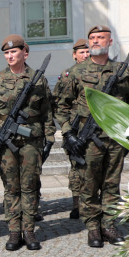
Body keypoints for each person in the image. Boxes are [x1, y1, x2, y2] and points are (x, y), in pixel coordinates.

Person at [56, 25, 129, 248]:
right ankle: (93, 228)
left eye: (100, 38)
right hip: (88, 139)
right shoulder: (76, 72)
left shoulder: (123, 71)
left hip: (113, 138)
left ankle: (109, 226)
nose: (95, 41)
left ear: (110, 42)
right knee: (88, 186)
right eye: (92, 38)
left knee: (112, 184)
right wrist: (68, 133)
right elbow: (61, 106)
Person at [0, 34, 55, 251]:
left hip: (31, 142)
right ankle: (13, 231)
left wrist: (50, 138)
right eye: (6, 53)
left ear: (24, 53)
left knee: (29, 186)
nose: (9, 56)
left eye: (13, 52)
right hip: (5, 142)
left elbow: (47, 112)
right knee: (11, 187)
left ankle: (28, 231)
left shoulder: (38, 80)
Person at [54, 39, 89, 220]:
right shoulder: (67, 75)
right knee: (76, 167)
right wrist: (67, 130)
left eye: (87, 51)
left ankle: (91, 203)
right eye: (81, 52)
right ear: (74, 54)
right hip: (74, 128)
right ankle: (76, 204)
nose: (85, 55)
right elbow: (59, 103)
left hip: (92, 128)